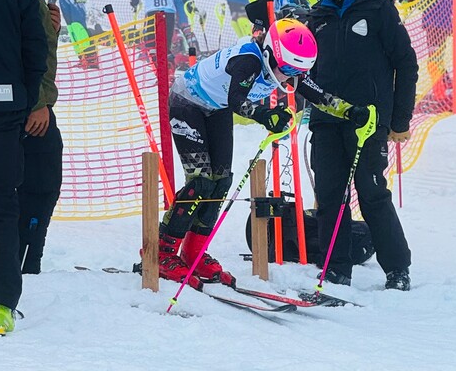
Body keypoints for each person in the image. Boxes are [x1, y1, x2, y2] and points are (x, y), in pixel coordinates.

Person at [153, 18, 369, 286]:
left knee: (221, 182)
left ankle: (193, 252)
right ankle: (163, 252)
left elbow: (317, 95)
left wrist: (349, 111)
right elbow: (237, 100)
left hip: (216, 108)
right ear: (270, 53)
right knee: (200, 183)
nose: (290, 76)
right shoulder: (249, 61)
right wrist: (266, 115)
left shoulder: (285, 65)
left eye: (298, 70)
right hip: (187, 103)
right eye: (288, 69)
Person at [307, 0, 418, 291]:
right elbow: (304, 70)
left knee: (371, 193)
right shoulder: (318, 16)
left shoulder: (377, 7)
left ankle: (397, 269)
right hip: (327, 121)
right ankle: (335, 269)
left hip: (368, 120)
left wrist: (399, 119)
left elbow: (406, 63)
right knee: (329, 196)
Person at [0, 0, 58, 334]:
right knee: (2, 203)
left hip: (6, 113)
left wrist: (30, 101)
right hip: (10, 112)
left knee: (5, 201)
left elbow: (36, 50)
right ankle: (0, 299)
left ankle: (1, 298)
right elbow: (35, 53)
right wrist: (31, 100)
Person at [0, 0, 73, 279]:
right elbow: (18, 51)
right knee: (37, 182)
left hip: (25, 101)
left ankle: (24, 260)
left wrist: (50, 29)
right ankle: (20, 262)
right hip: (22, 105)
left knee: (37, 182)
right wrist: (38, 103)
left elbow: (35, 44)